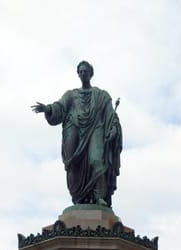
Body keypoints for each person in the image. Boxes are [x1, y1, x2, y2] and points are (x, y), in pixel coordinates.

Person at [31, 60, 122, 207]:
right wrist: (48, 109)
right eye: (80, 71)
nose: (83, 73)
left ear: (91, 74)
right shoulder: (71, 95)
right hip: (74, 129)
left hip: (96, 129)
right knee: (73, 165)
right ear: (78, 74)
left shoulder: (102, 96)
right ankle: (78, 197)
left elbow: (111, 115)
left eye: (85, 71)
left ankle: (99, 196)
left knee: (96, 160)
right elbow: (59, 107)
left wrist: (114, 128)